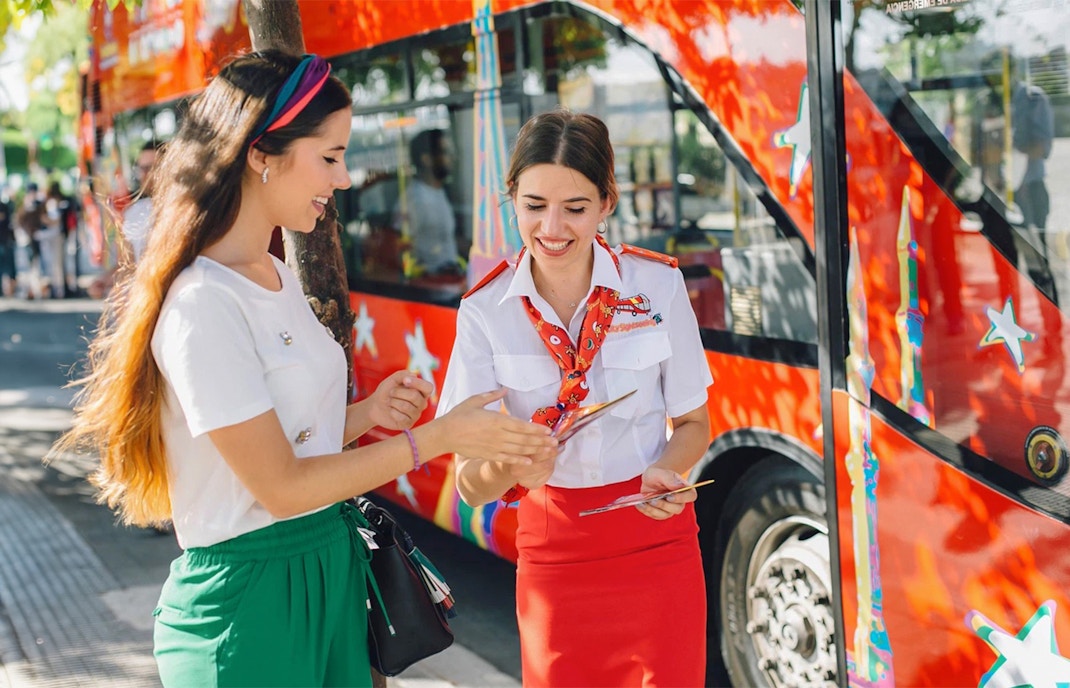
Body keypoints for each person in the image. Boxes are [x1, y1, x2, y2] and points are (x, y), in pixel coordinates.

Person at [51, 50, 556, 688]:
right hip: (251, 604)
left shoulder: (274, 273)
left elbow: (288, 442)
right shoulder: (203, 304)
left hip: (327, 575)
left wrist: (367, 416)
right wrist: (436, 439)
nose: (344, 179)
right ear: (262, 154)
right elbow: (282, 486)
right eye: (329, 157)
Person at [437, 109, 714, 686]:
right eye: (534, 206)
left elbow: (692, 422)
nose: (553, 228)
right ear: (511, 198)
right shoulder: (483, 313)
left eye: (576, 207)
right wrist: (511, 465)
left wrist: (667, 469)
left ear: (607, 201)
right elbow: (467, 482)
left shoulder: (657, 286)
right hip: (553, 550)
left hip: (655, 541)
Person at [394, 128, 463, 276]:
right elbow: (398, 249)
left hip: (452, 278)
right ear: (427, 159)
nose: (451, 157)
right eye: (445, 152)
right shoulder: (414, 200)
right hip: (431, 286)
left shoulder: (440, 190)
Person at [123, 140, 162, 261]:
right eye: (142, 168)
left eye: (151, 167)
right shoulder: (133, 212)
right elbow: (127, 264)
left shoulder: (183, 211)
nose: (145, 174)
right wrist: (105, 278)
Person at [0, 185, 14, 297]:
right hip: (4, 240)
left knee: (6, 267)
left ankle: (8, 289)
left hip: (4, 240)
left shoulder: (3, 206)